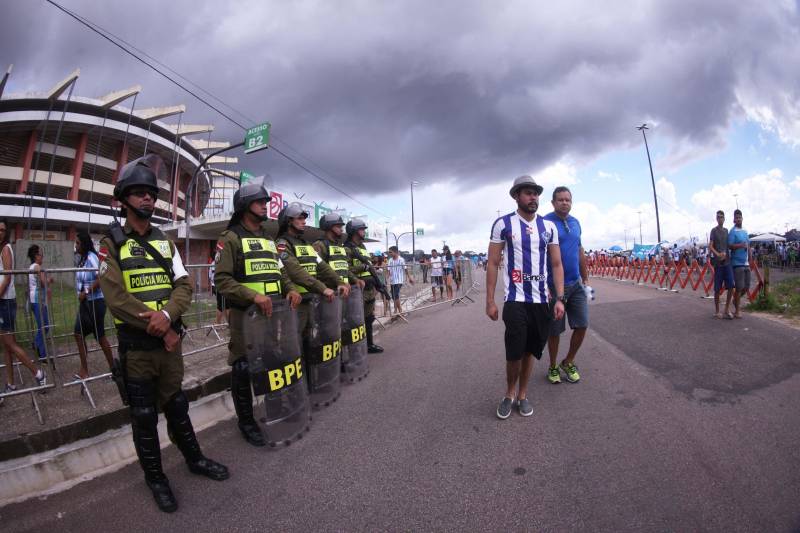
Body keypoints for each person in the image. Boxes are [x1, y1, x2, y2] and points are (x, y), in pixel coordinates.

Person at [98, 155, 228, 513]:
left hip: (169, 343)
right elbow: (115, 296)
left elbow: (184, 284)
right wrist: (156, 325)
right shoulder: (110, 243)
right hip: (138, 349)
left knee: (177, 405)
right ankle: (156, 478)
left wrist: (169, 316)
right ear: (122, 199)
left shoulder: (164, 241)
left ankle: (195, 459)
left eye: (150, 195)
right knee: (143, 415)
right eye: (138, 194)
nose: (147, 200)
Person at [213, 184, 302, 447]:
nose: (265, 205)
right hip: (245, 316)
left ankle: (275, 409)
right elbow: (222, 280)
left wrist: (292, 289)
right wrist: (253, 296)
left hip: (273, 314)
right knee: (242, 367)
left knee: (273, 360)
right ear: (245, 205)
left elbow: (280, 271)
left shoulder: (268, 238)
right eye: (260, 201)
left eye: (266, 201)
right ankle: (246, 422)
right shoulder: (229, 238)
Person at [486, 175, 564, 419]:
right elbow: (492, 262)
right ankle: (509, 394)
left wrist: (559, 298)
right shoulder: (503, 224)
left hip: (541, 301)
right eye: (528, 193)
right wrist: (489, 300)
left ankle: (523, 394)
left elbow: (556, 263)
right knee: (514, 352)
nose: (534, 197)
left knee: (531, 351)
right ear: (516, 196)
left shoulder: (549, 228)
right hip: (515, 300)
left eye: (536, 193)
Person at [276, 203, 349, 339]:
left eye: (304, 218)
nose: (304, 221)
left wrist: (339, 281)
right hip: (295, 304)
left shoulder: (306, 244)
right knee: (294, 342)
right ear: (288, 221)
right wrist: (322, 288)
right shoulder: (282, 244)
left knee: (310, 339)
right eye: (300, 218)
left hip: (311, 300)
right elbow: (295, 271)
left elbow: (322, 266)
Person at [543, 186, 588, 384]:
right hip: (553, 287)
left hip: (576, 283)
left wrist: (585, 278)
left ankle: (568, 361)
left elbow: (579, 251)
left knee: (582, 325)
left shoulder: (576, 222)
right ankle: (553, 366)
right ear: (553, 203)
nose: (564, 203)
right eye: (560, 200)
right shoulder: (544, 222)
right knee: (554, 330)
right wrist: (543, 284)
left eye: (568, 200)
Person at [1, 220, 46, 397]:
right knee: (6, 346)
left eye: (3, 230)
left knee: (10, 343)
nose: (0, 232)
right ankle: (11, 383)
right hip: (13, 300)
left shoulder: (6, 249)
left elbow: (7, 277)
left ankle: (39, 373)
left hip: (5, 301)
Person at [73, 230, 114, 379]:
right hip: (86, 304)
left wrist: (87, 291)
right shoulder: (82, 259)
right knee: (80, 334)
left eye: (78, 243)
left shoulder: (92, 258)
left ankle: (112, 369)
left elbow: (101, 277)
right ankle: (86, 369)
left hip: (95, 303)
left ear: (84, 244)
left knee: (98, 336)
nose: (75, 245)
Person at [344, 219, 383, 353]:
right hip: (357, 290)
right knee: (355, 320)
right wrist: (362, 267)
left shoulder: (362, 247)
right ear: (354, 231)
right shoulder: (347, 248)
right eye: (362, 229)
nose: (364, 232)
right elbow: (345, 269)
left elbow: (370, 267)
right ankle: (355, 349)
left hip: (369, 288)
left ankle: (369, 345)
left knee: (369, 318)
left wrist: (377, 284)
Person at [27, 244, 52, 361]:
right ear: (36, 255)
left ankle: (36, 344)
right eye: (41, 254)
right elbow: (43, 282)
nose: (42, 257)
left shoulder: (31, 266)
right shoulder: (37, 267)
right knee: (44, 326)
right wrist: (49, 280)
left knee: (43, 326)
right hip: (38, 301)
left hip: (34, 300)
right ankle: (41, 354)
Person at [709, 210, 734, 319]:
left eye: (722, 217)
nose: (720, 219)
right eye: (718, 217)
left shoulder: (727, 231)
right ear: (716, 219)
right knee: (717, 289)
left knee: (731, 287)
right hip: (718, 264)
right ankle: (717, 311)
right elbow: (710, 246)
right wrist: (718, 254)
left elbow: (728, 245)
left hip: (727, 262)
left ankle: (726, 309)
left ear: (724, 219)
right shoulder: (713, 231)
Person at [728, 209, 750, 319]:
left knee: (747, 287)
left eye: (739, 217)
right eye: (736, 217)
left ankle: (735, 299)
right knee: (739, 287)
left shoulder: (745, 231)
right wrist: (740, 245)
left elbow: (748, 246)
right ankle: (737, 310)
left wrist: (750, 259)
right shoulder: (732, 231)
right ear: (733, 220)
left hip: (746, 263)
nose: (738, 219)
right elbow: (730, 245)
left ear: (742, 218)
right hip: (737, 263)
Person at [387, 245, 414, 316]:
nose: (389, 253)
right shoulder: (390, 260)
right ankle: (396, 309)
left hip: (399, 280)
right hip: (392, 281)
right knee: (393, 295)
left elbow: (405, 269)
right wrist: (387, 279)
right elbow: (389, 271)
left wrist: (409, 277)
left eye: (391, 252)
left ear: (395, 252)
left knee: (395, 295)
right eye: (389, 252)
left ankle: (400, 310)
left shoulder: (401, 259)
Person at [208, 250, 226, 325]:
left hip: (216, 285)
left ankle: (222, 322)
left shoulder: (213, 263)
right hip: (219, 286)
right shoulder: (220, 264)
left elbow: (209, 276)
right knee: (221, 305)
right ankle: (218, 323)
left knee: (224, 305)